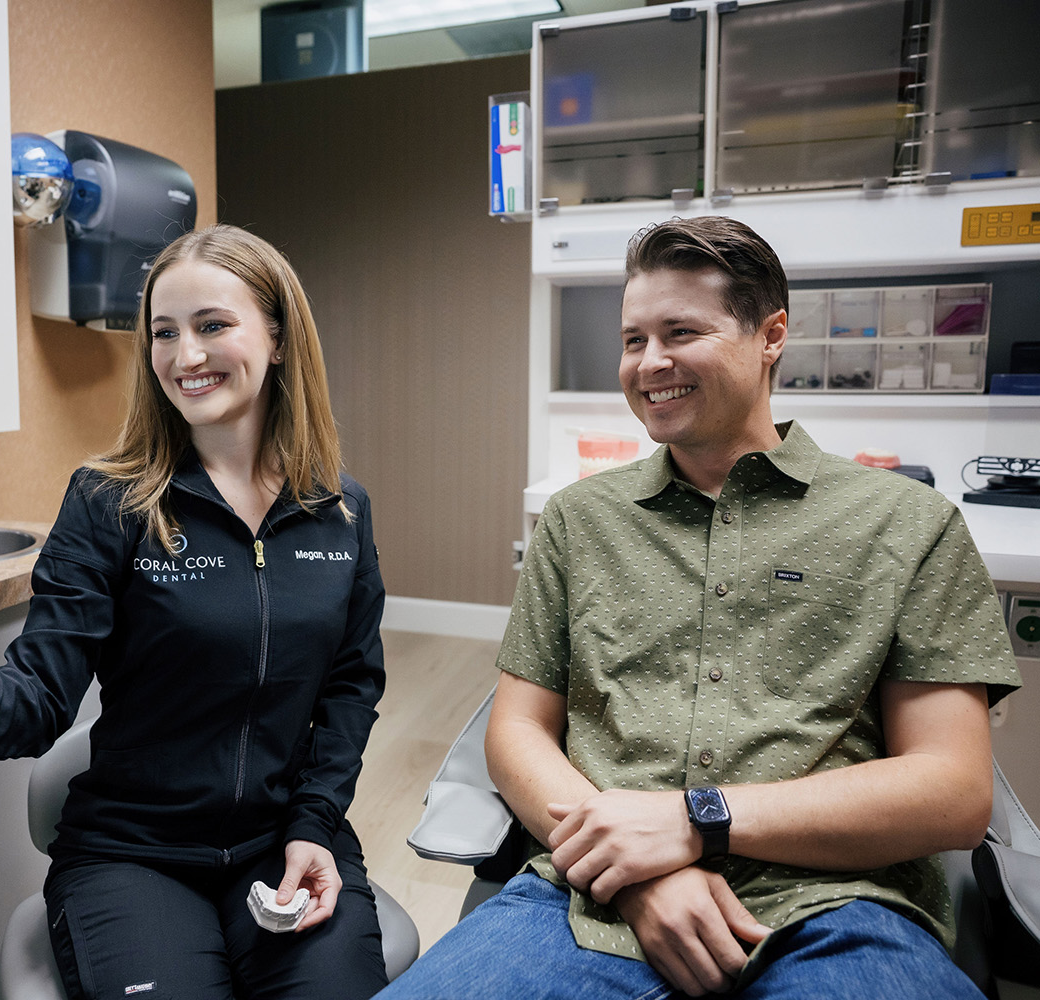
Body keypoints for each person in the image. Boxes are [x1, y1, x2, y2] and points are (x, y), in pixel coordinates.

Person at [378, 216, 1021, 999]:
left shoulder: (905, 525)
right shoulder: (580, 523)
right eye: (633, 339)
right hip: (588, 905)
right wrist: (633, 872)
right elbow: (517, 730)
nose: (650, 364)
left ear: (771, 335)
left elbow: (952, 791)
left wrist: (695, 820)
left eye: (681, 332)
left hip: (836, 912)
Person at [0, 224, 389, 1000]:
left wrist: (314, 826)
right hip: (131, 855)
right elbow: (33, 705)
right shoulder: (110, 502)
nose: (186, 357)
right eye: (164, 333)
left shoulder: (339, 511)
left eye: (213, 325)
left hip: (281, 841)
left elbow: (350, 688)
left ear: (279, 338)